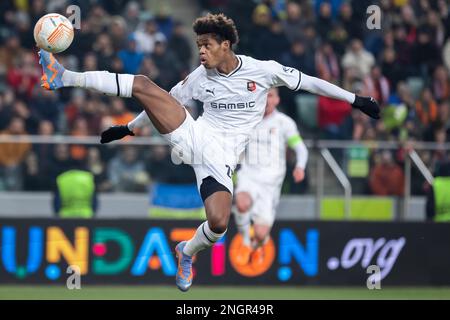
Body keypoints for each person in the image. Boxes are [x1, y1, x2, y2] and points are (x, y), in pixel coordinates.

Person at [38, 13, 380, 291]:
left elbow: (310, 82)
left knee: (218, 225)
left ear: (225, 45)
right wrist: (130, 128)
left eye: (207, 45)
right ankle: (64, 75)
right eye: (199, 45)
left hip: (221, 161)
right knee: (142, 84)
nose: (201, 52)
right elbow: (164, 102)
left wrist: (355, 100)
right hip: (196, 136)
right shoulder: (199, 78)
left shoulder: (264, 71)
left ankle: (186, 252)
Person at [233, 87, 308, 267]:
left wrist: (300, 166)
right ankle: (244, 239)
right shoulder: (248, 119)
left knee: (260, 234)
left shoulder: (284, 123)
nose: (267, 100)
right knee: (242, 203)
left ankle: (256, 243)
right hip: (249, 175)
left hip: (271, 184)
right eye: (263, 96)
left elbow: (300, 148)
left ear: (277, 100)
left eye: (271, 96)